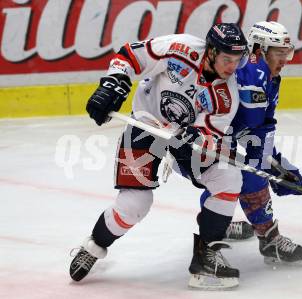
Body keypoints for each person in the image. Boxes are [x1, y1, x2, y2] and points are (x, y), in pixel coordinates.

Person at [69, 23, 249, 289]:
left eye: (237, 60)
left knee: (228, 177)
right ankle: (94, 245)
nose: (232, 66)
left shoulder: (226, 94)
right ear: (210, 52)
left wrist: (197, 141)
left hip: (182, 141)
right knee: (134, 204)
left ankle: (206, 254)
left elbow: (211, 133)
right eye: (226, 59)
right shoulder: (181, 49)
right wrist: (113, 83)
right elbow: (130, 55)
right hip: (145, 126)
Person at [200, 21, 302, 265]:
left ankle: (220, 222)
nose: (284, 60)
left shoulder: (267, 75)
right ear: (260, 49)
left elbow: (262, 126)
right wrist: (268, 167)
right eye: (279, 54)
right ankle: (269, 240)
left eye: (287, 54)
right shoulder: (250, 75)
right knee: (248, 176)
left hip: (219, 136)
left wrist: (280, 165)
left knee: (240, 172)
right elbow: (252, 132)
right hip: (194, 139)